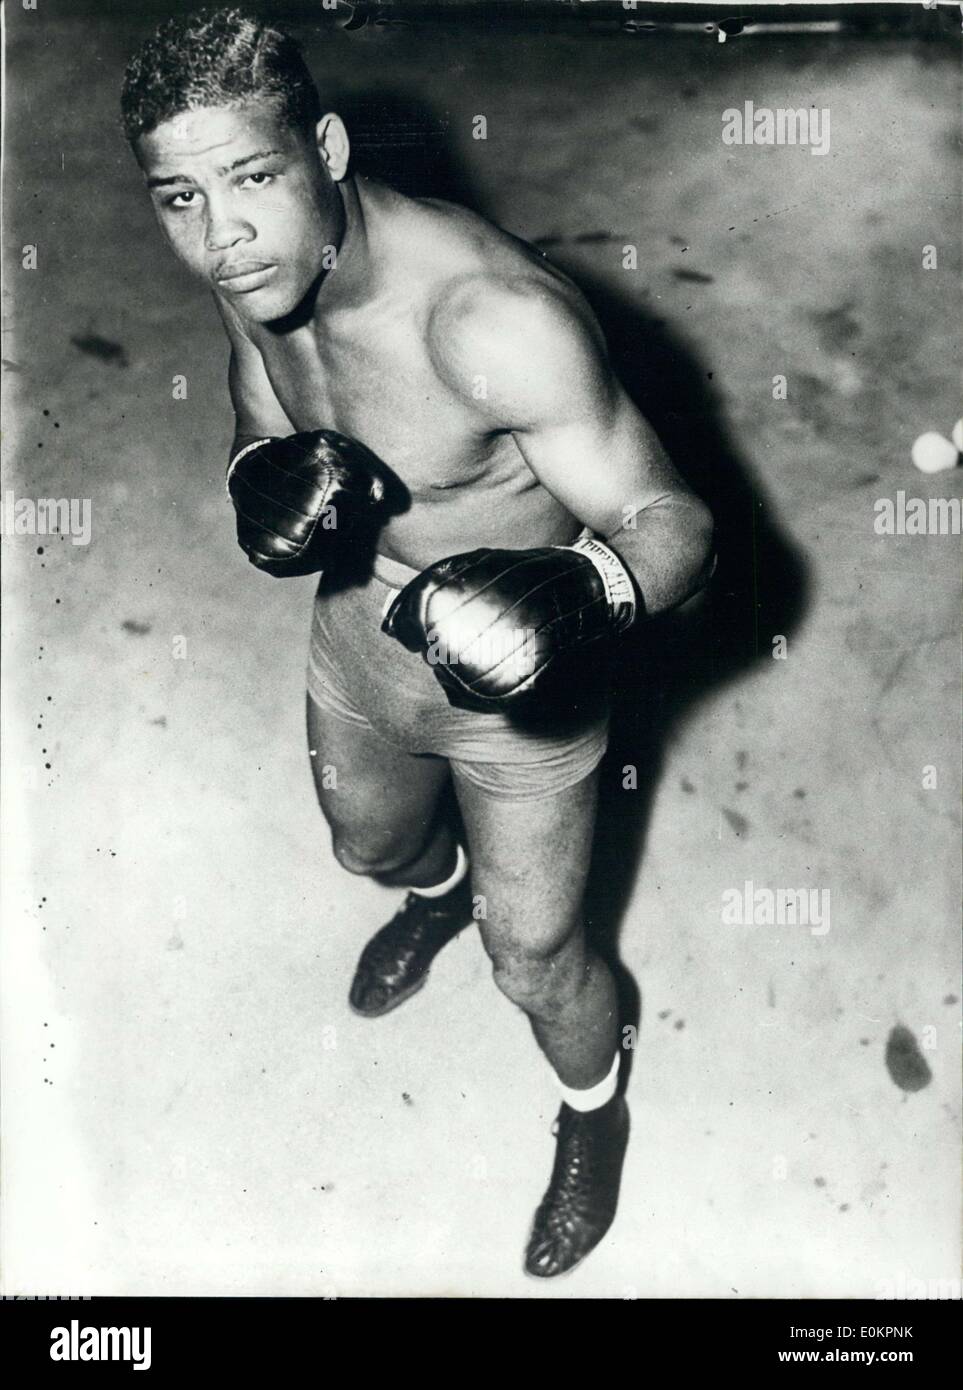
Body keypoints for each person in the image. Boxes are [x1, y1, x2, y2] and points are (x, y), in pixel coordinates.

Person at [121, 7, 714, 1279]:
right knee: (367, 843)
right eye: (178, 198)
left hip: (523, 691)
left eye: (252, 179)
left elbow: (677, 523)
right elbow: (255, 414)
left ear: (326, 149)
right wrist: (257, 483)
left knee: (538, 958)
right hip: (360, 630)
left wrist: (588, 588)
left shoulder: (491, 321)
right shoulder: (255, 271)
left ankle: (595, 1116)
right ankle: (436, 891)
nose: (218, 237)